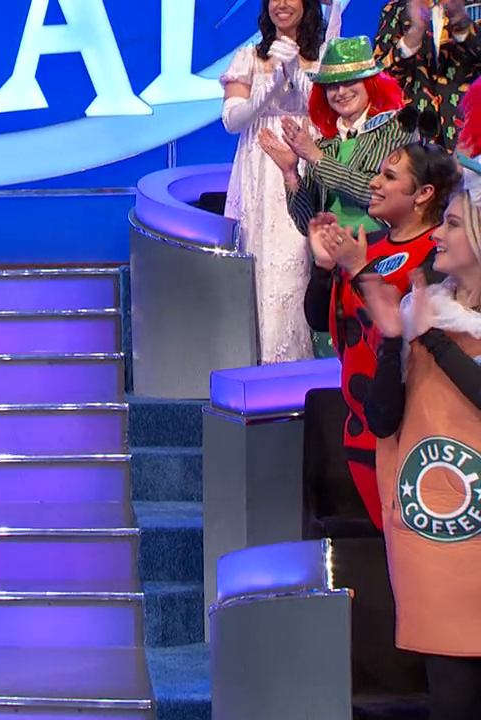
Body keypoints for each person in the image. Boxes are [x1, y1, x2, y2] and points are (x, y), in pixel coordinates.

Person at [360, 175, 481, 719]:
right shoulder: (421, 311)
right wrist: (393, 341)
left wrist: (431, 336)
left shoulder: (431, 325)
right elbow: (383, 420)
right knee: (453, 699)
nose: (436, 235)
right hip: (439, 544)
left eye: (451, 225)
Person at [304, 140, 459, 530]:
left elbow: (403, 334)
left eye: (389, 177)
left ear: (423, 193)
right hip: (360, 432)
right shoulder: (366, 245)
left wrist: (359, 270)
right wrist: (323, 268)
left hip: (415, 434)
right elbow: (322, 321)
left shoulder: (439, 257)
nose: (374, 184)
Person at [260, 35, 411, 358]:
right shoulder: (324, 145)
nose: (340, 92)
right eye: (332, 86)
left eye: (349, 82)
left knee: (379, 356)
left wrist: (316, 159)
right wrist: (290, 173)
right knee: (336, 356)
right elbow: (307, 221)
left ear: (371, 83)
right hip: (332, 271)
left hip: (379, 260)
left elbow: (375, 193)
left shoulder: (395, 130)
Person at [222, 0, 344, 363]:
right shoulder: (249, 57)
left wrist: (293, 68)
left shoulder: (322, 55)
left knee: (301, 255)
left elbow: (328, 112)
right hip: (260, 169)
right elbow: (232, 121)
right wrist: (268, 87)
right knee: (261, 260)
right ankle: (259, 363)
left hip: (306, 159)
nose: (282, 4)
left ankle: (300, 362)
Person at [373, 0, 481, 151]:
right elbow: (380, 77)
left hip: (469, 135)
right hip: (414, 135)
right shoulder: (397, 9)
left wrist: (461, 23)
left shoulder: (475, 6)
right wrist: (413, 36)